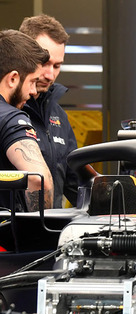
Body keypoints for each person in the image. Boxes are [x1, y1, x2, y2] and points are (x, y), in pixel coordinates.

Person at [20, 14, 80, 208]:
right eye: (44, 62)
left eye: (57, 65)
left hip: (49, 232)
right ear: (23, 53)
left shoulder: (58, 115)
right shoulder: (6, 110)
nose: (50, 74)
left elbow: (77, 183)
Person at [0, 29, 54, 210]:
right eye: (32, 81)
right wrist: (40, 234)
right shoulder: (11, 117)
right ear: (13, 78)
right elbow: (39, 180)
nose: (33, 92)